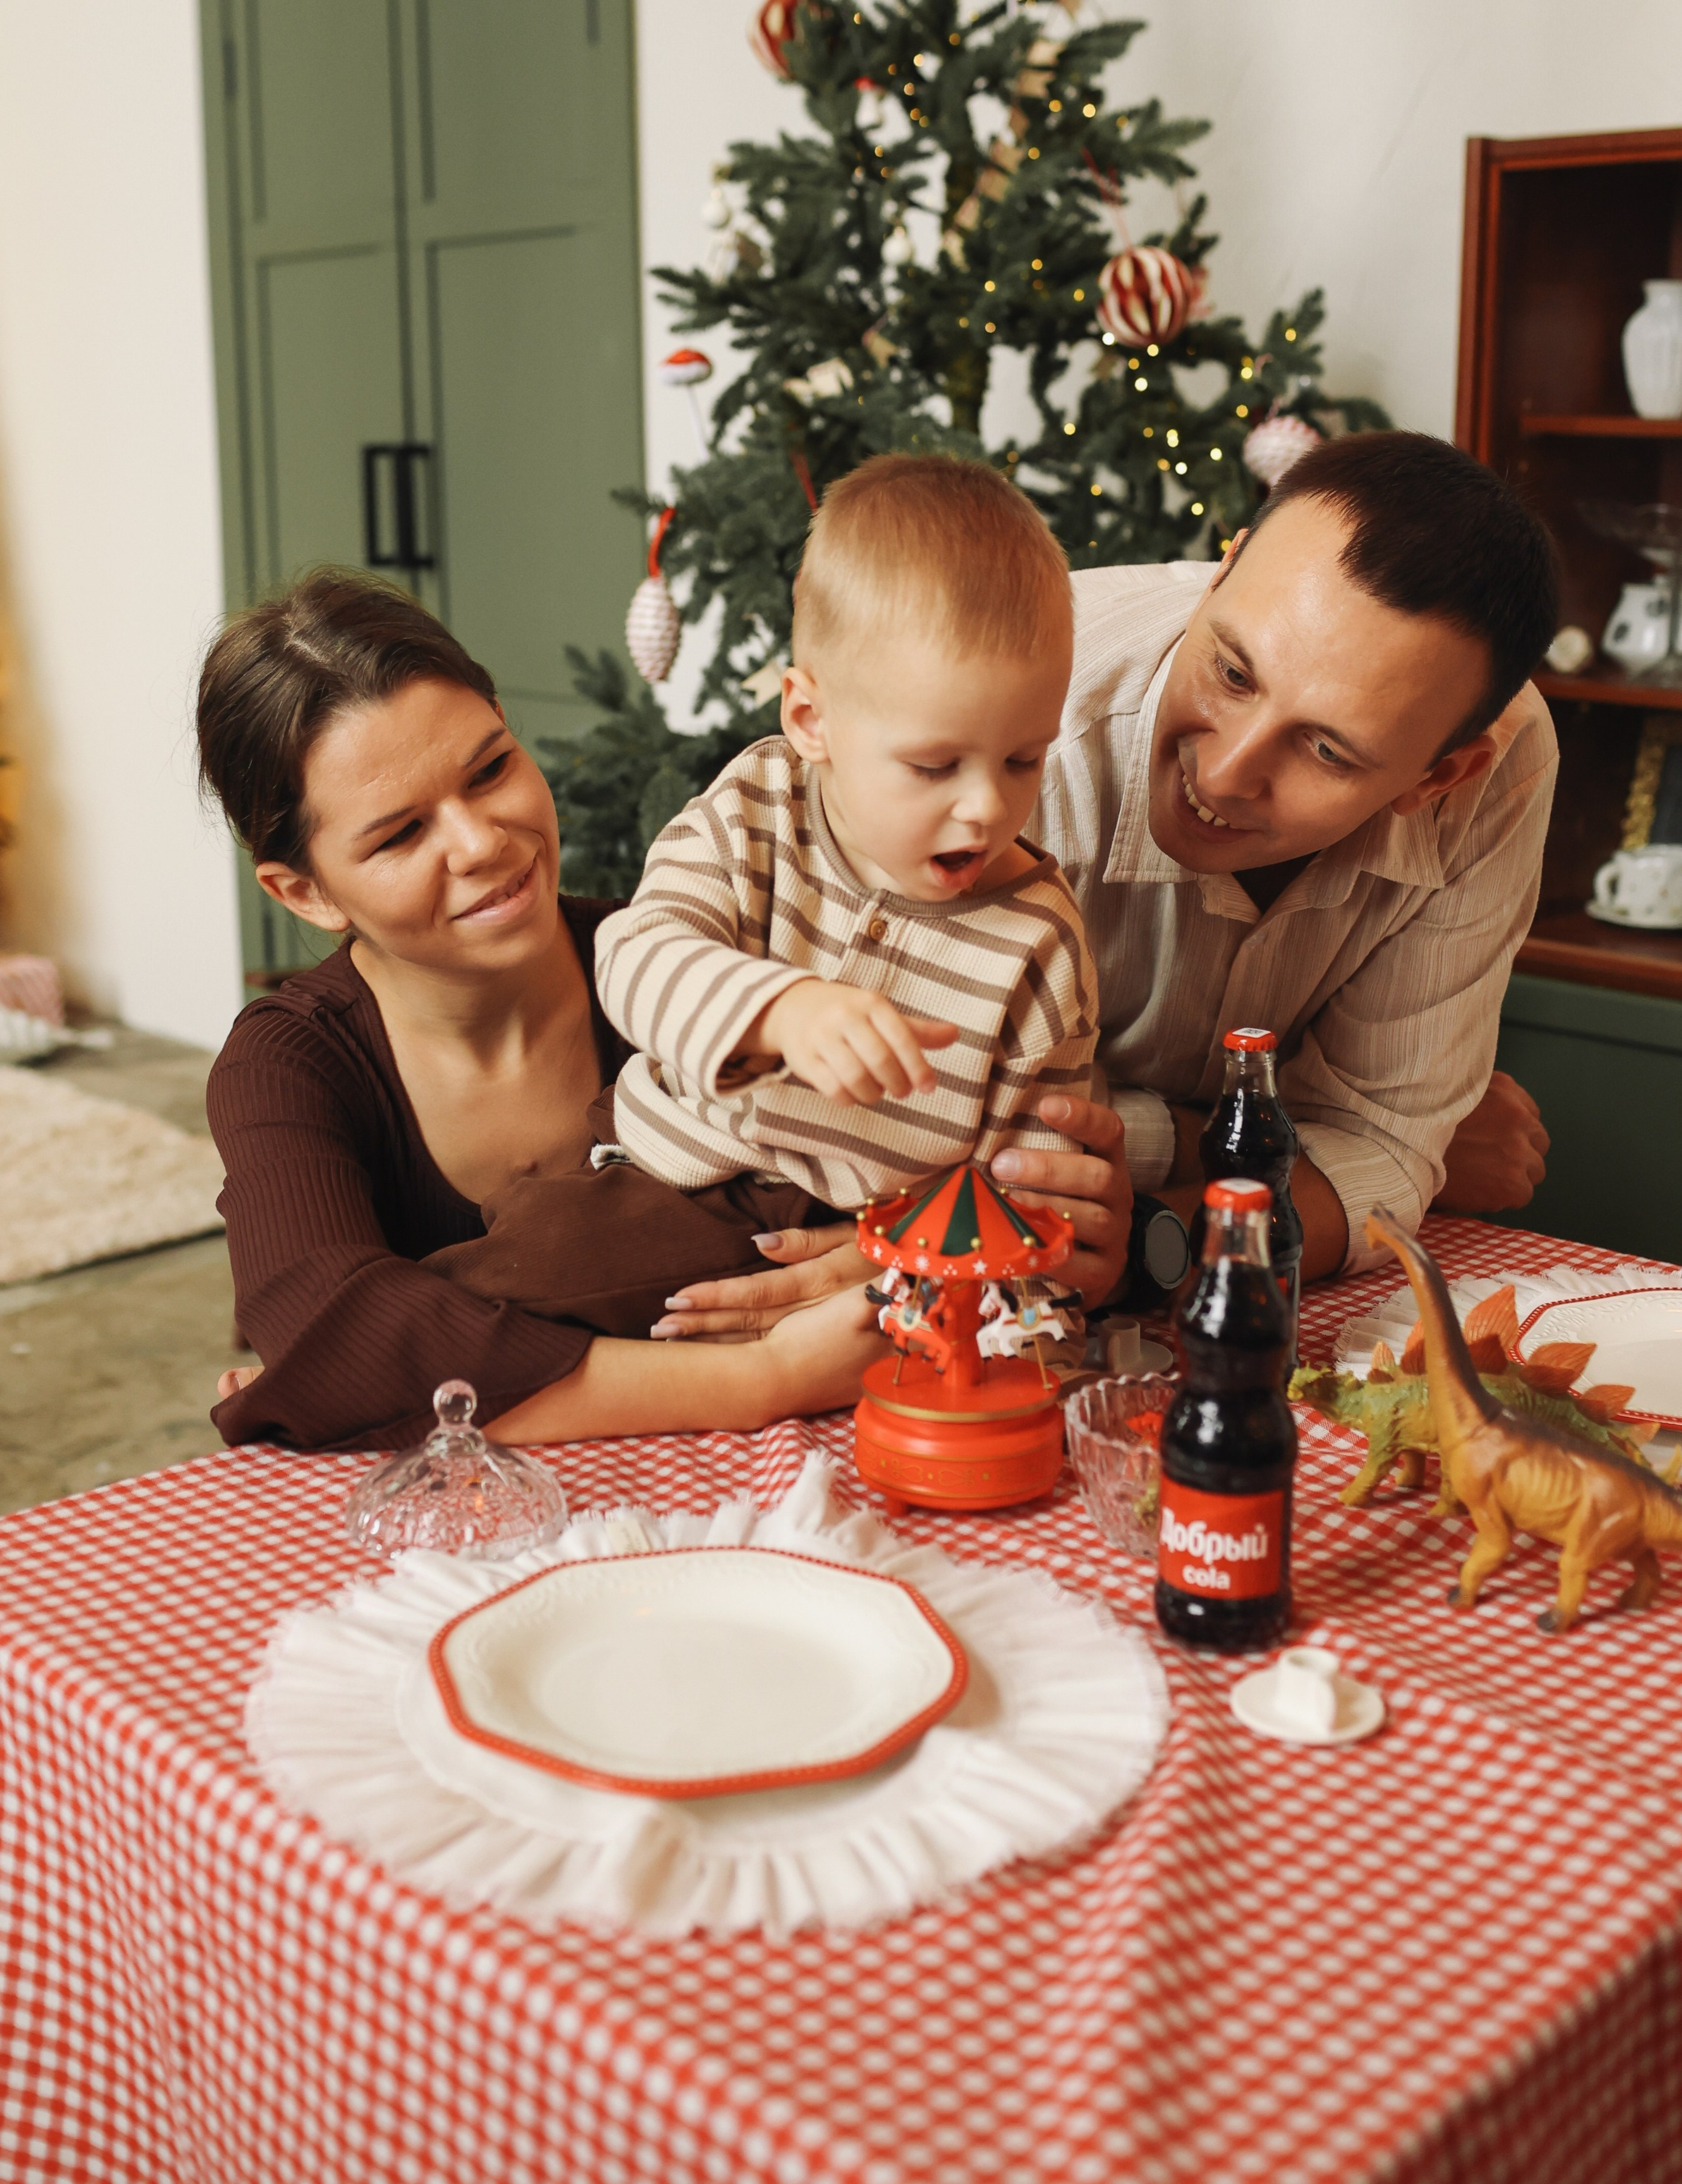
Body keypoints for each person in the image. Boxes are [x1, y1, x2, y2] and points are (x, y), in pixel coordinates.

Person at [655, 430, 1558, 1347]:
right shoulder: (1000, 726)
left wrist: (1144, 1238)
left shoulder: (1500, 770)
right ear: (1224, 568)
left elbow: (1379, 1152)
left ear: (1439, 775)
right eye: (1233, 671)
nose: (1228, 768)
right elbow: (888, 1121)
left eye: (1327, 749)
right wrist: (1220, 1139)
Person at [197, 566, 1131, 1450]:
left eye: (490, 769)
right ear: (304, 892)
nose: (483, 841)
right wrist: (764, 1377)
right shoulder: (290, 1065)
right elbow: (336, 1332)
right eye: (401, 833)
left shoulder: (712, 958)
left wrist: (891, 1246)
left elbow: (979, 1183)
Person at [595, 454, 1099, 1206]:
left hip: (875, 1251)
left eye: (1023, 759)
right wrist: (778, 1011)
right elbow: (632, 958)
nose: (989, 808)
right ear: (810, 720)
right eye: (934, 766)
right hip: (661, 1180)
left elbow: (1027, 1186)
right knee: (512, 1288)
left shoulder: (1039, 943)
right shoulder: (753, 809)